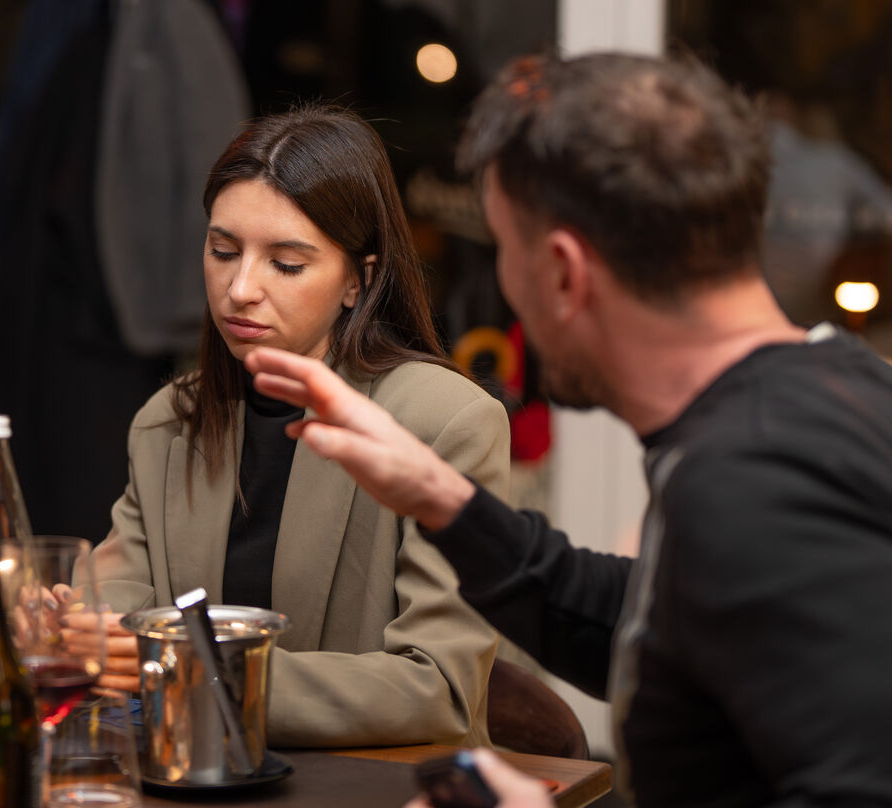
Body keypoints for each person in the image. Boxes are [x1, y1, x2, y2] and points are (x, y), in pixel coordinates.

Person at [245, 54, 892, 807]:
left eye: (505, 250)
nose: (505, 286)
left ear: (562, 272)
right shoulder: (835, 387)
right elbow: (658, 617)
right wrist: (443, 500)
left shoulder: (749, 481)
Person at [91, 106, 510, 747]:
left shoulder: (446, 422)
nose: (240, 288)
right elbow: (112, 609)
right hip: (195, 775)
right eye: (223, 251)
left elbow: (438, 688)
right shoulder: (169, 421)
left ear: (358, 281)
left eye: (285, 264)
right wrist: (77, 626)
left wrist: (201, 674)